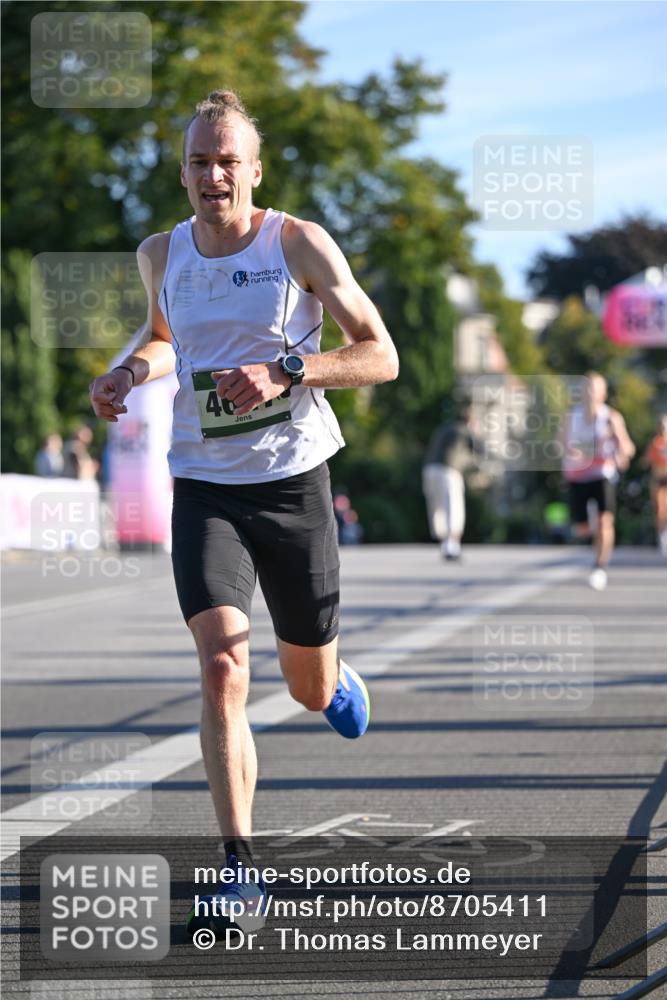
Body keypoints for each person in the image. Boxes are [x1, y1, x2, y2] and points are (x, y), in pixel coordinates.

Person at [89, 90, 398, 933]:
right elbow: (162, 336)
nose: (212, 174)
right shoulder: (162, 252)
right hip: (205, 486)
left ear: (253, 172)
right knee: (223, 664)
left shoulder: (294, 241)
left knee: (305, 686)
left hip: (293, 482)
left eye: (227, 161)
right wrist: (126, 372)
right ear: (183, 172)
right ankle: (238, 868)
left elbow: (380, 353)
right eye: (198, 161)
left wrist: (288, 372)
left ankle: (331, 677)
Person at [562, 372, 635, 590]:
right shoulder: (571, 416)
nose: (590, 392)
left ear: (603, 393)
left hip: (602, 474)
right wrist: (574, 453)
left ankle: (600, 566)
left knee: (605, 521)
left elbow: (628, 448)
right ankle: (590, 529)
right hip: (577, 476)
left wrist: (621, 452)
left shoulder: (611, 417)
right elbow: (562, 444)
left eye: (594, 388)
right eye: (586, 388)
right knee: (582, 528)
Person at [422, 403, 485, 560]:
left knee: (437, 508)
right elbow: (480, 449)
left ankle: (444, 543)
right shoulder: (464, 430)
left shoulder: (444, 428)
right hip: (448, 471)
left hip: (429, 470)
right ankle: (452, 544)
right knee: (453, 507)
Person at [642, 415, 667, 555]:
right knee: (660, 509)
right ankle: (661, 536)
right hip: (658, 479)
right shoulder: (655, 443)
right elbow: (647, 459)